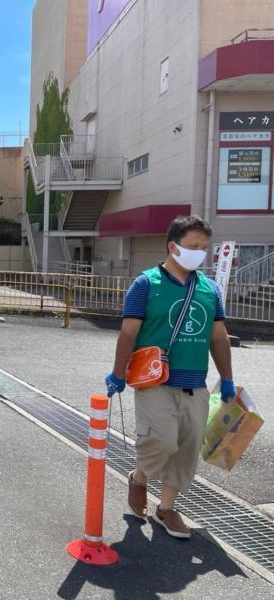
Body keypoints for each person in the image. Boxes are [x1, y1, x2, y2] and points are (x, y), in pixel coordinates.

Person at [105, 215, 234, 540]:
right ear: (172, 247)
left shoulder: (210, 290)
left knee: (187, 449)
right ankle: (140, 477)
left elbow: (219, 336)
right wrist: (118, 373)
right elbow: (128, 332)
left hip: (196, 383)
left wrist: (228, 378)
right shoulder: (146, 284)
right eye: (193, 247)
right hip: (154, 381)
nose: (199, 254)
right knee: (161, 440)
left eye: (204, 248)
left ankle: (166, 508)